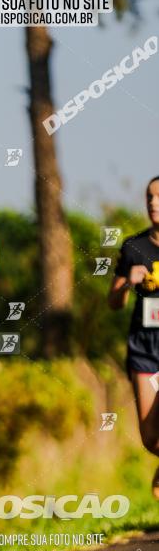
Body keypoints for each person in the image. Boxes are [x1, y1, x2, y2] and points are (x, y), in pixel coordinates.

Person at [109, 176, 159, 498]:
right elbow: (113, 303)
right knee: (151, 439)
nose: (153, 203)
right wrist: (128, 281)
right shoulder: (134, 247)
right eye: (149, 197)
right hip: (145, 348)